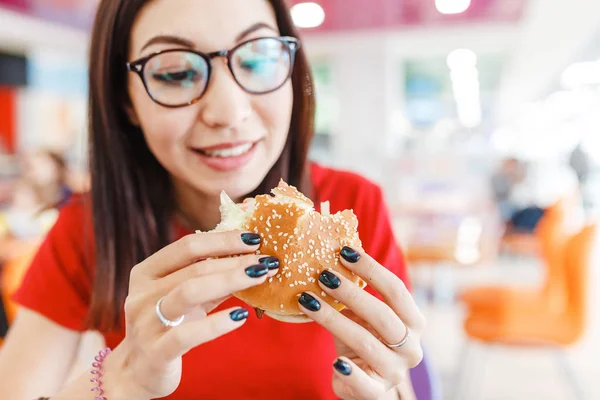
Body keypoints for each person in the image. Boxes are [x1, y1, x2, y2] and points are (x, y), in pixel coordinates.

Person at [0, 1, 425, 399]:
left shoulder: (350, 207)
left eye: (257, 59)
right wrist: (122, 379)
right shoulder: (91, 227)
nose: (228, 111)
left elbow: (395, 381)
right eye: (175, 73)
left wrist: (386, 388)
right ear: (125, 101)